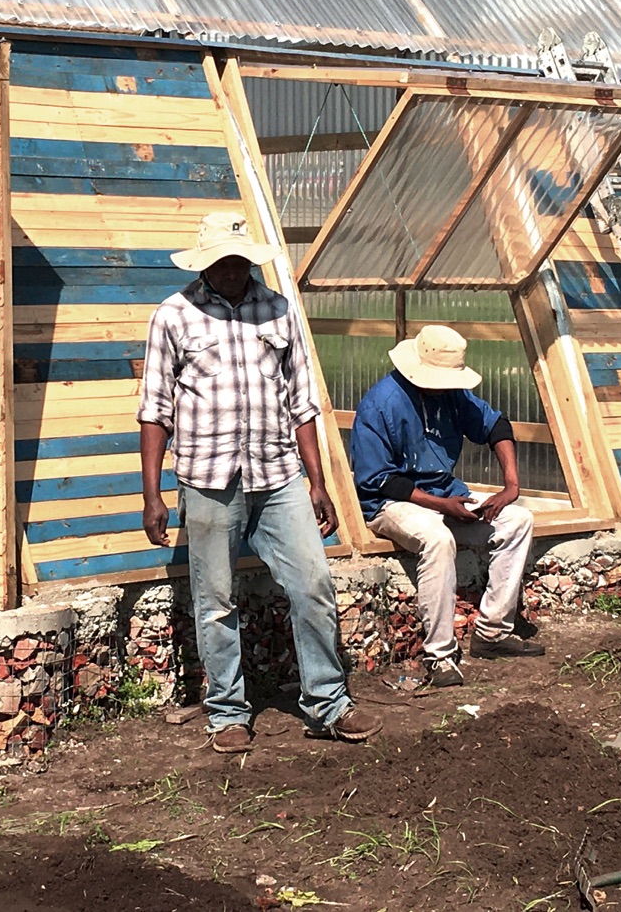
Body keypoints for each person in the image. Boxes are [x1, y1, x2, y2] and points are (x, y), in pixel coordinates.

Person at [138, 212, 382, 753]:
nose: (231, 271)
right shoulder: (174, 316)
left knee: (313, 583)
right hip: (208, 478)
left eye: (238, 261)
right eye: (220, 263)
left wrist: (317, 482)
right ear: (204, 265)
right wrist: (151, 495)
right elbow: (154, 410)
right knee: (216, 599)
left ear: (249, 260)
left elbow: (302, 403)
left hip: (277, 474)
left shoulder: (277, 309)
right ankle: (227, 713)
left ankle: (328, 704)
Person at [350, 325, 543, 688]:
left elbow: (496, 426)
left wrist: (511, 486)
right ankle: (439, 655)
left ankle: (492, 633)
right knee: (437, 539)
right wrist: (442, 505)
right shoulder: (381, 403)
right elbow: (379, 479)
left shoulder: (453, 395)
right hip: (392, 503)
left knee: (517, 520)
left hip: (446, 495)